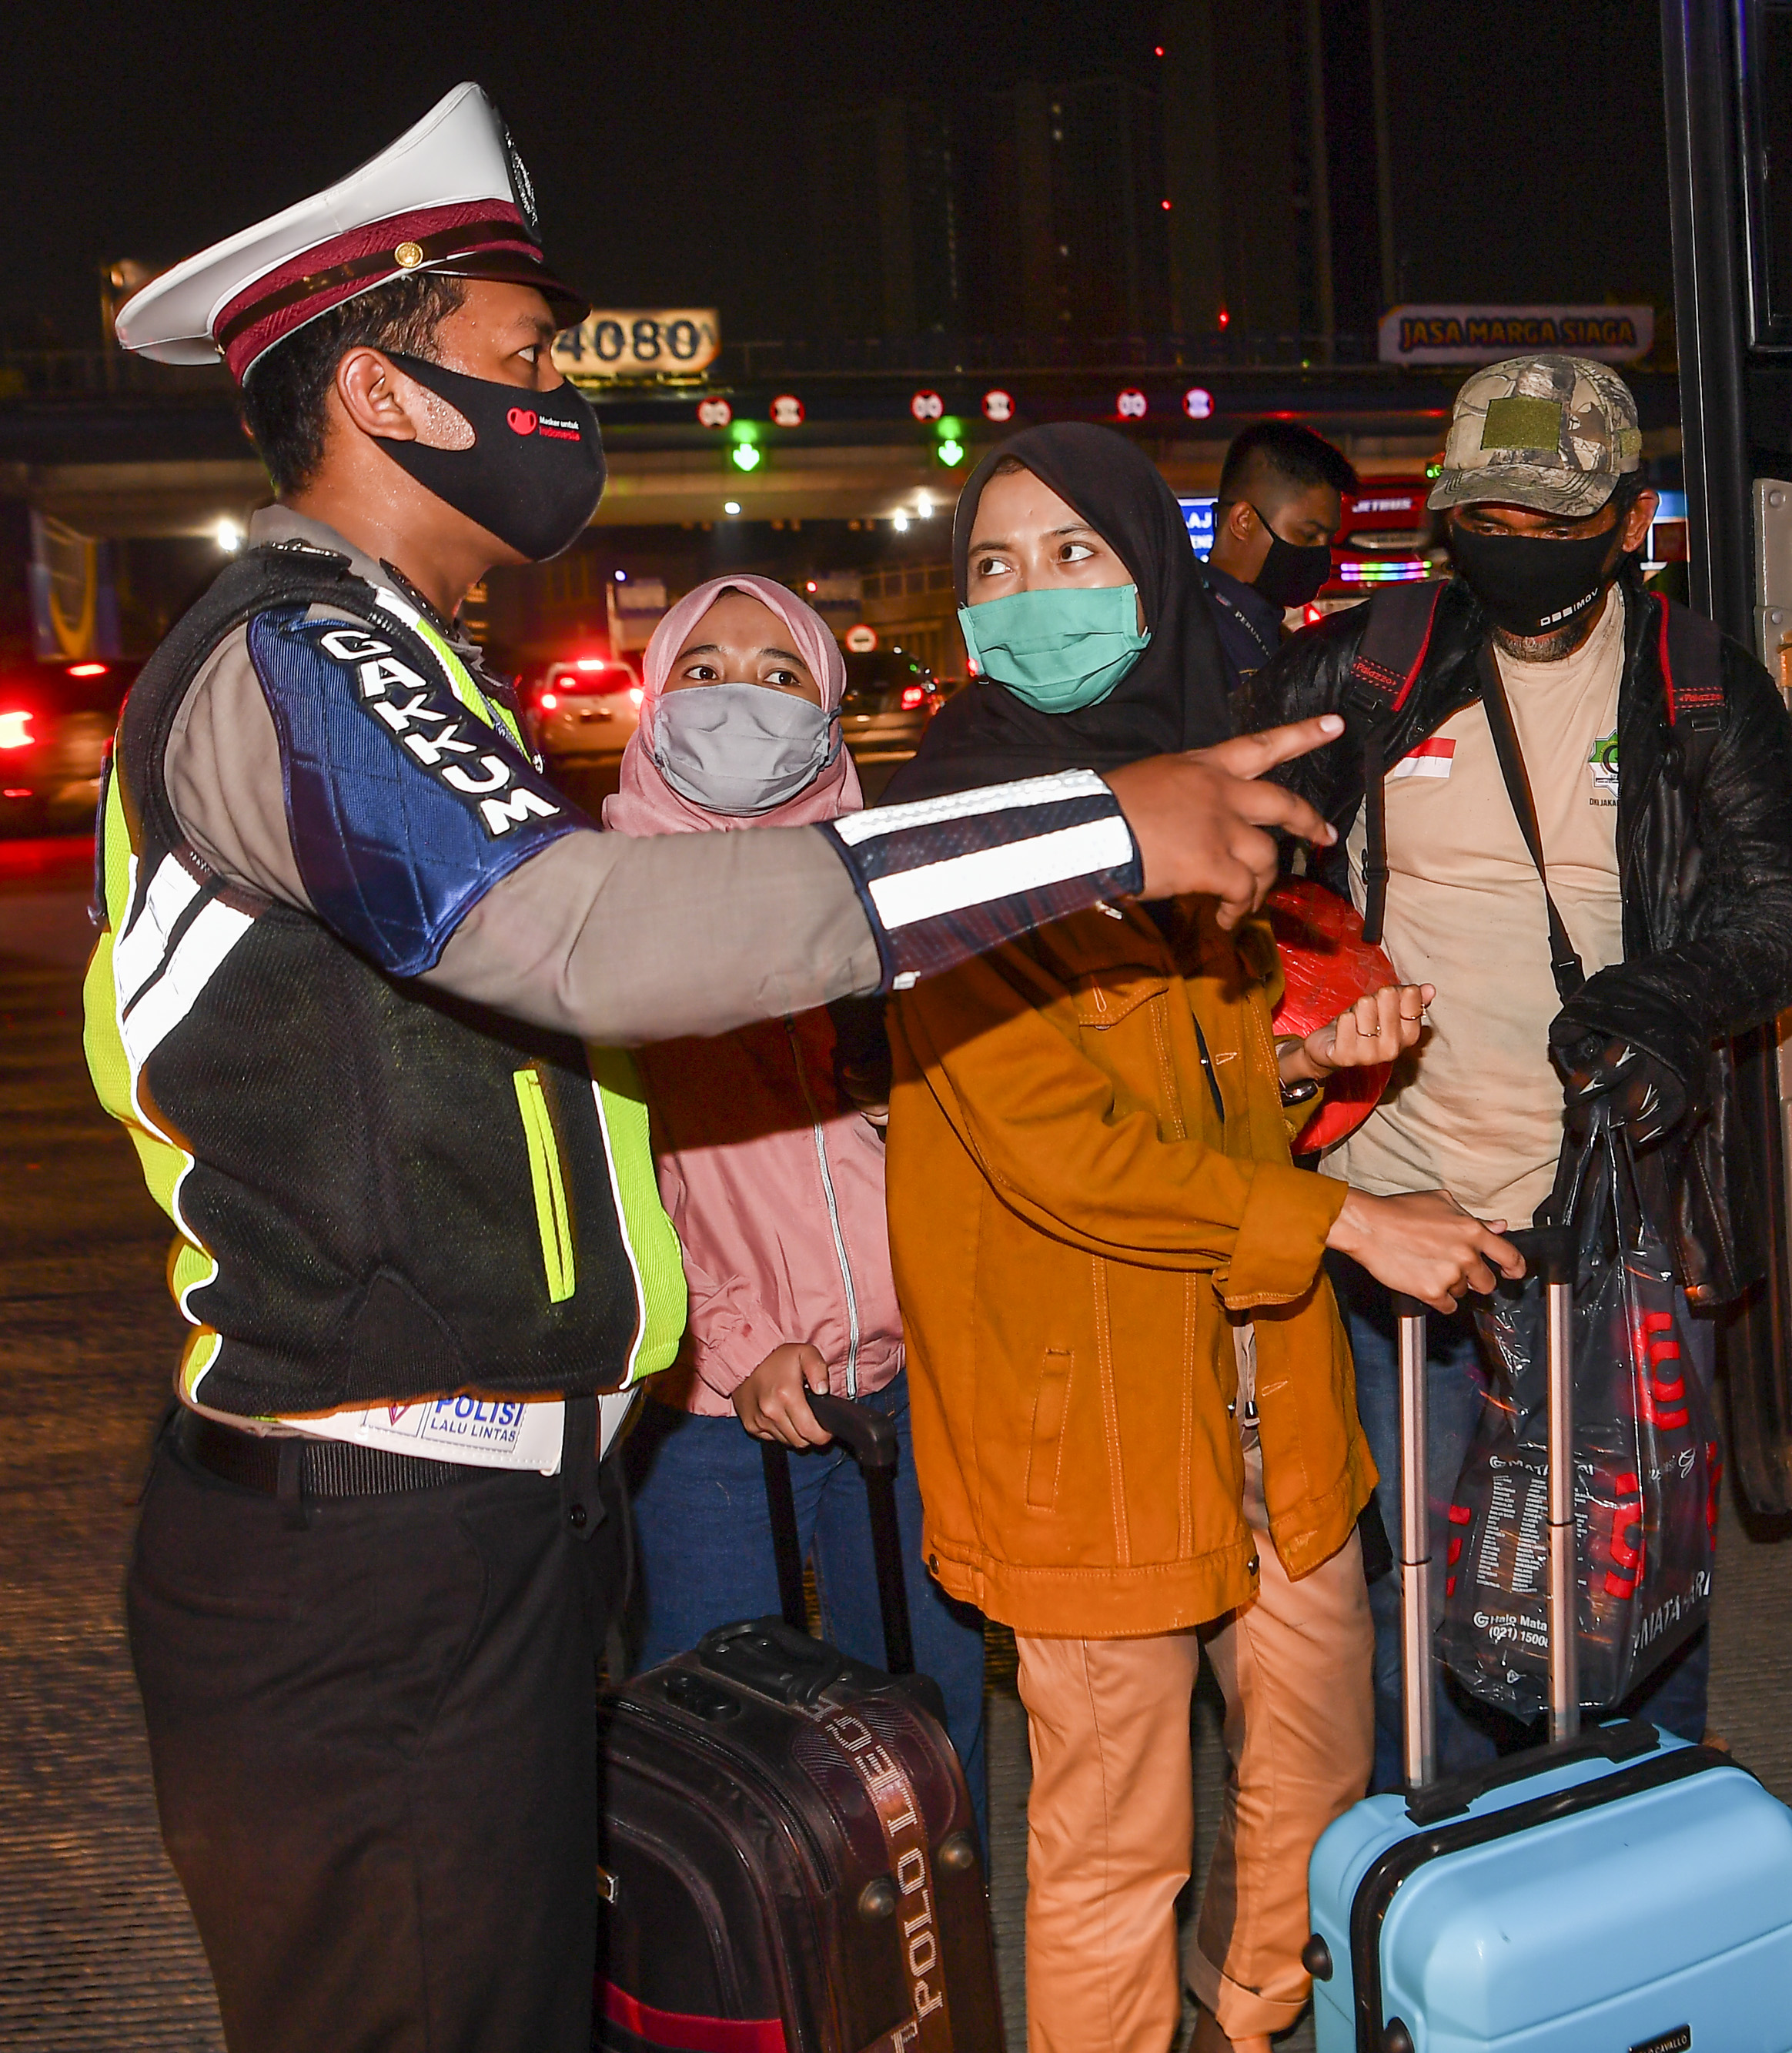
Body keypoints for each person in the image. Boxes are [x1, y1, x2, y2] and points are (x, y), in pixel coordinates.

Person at [98, 86, 1337, 2053]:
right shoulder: (294, 659)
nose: (554, 402)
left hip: (484, 1523)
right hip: (364, 1543)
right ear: (391, 397)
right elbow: (585, 931)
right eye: (519, 365)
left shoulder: (407, 662)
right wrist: (1100, 825)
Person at [881, 422, 1516, 2053]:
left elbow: (1184, 1094)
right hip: (1079, 1418)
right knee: (1113, 1835)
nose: (1033, 598)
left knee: (1311, 1768)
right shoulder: (947, 841)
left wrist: (1308, 1059)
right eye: (994, 569)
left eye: (1074, 555)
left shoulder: (1198, 786)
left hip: (1266, 1391)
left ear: (1154, 579)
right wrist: (1353, 1216)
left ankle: (1253, 2022)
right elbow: (1052, 1143)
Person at [1246, 354, 1792, 1787]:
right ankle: (1444, 1852)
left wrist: (1668, 1000)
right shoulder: (1369, 666)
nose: (1518, 547)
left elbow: (1783, 908)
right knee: (1436, 1572)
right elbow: (1237, 863)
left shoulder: (1697, 683)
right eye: (1489, 519)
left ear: (1628, 519)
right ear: (1449, 518)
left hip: (1618, 1213)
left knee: (1639, 1560)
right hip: (1402, 1217)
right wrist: (1299, 1018)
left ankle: (1639, 1835)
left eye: (1552, 520)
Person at [606, 573, 989, 1800]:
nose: (739, 701)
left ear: (830, 713)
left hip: (915, 1395)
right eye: (704, 669)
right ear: (656, 695)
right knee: (728, 1755)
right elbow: (617, 1172)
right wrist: (736, 1340)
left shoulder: (881, 890)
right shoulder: (596, 911)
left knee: (929, 1736)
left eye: (780, 677)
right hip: (716, 1416)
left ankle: (936, 1986)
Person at [1203, 420, 1359, 696]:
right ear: (1243, 521)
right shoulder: (1184, 635)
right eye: (1309, 535)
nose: (1323, 556)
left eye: (1328, 540)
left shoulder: (1276, 634)